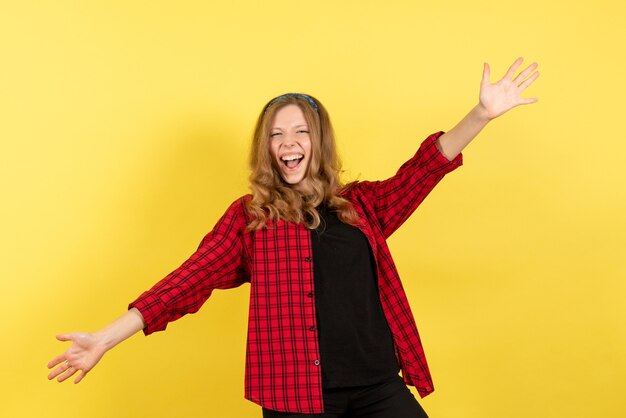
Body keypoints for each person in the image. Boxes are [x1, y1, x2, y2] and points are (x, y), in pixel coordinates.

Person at [48, 57, 539, 417]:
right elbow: (187, 282)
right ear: (267, 148)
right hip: (296, 397)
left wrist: (481, 114)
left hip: (377, 388)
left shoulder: (363, 206)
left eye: (300, 132)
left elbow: (425, 168)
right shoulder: (250, 219)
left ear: (317, 142)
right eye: (276, 135)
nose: (288, 144)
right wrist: (105, 339)